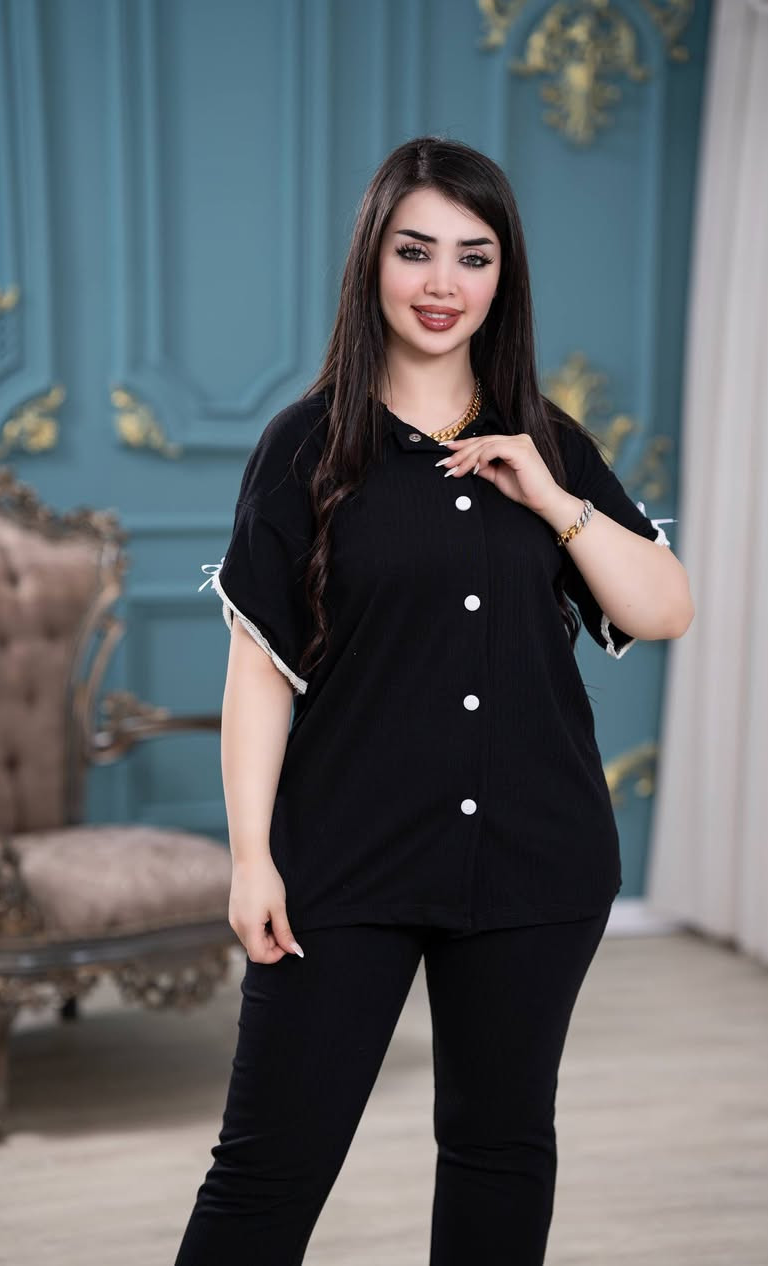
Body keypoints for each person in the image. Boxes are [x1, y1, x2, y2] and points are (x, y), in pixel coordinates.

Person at [176, 135, 694, 1265]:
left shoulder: (549, 444)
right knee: (266, 1171)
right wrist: (252, 858)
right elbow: (258, 668)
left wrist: (552, 499)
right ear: (373, 260)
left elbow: (664, 608)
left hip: (536, 857)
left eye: (474, 255)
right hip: (345, 860)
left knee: (500, 1149)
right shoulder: (305, 446)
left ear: (504, 277)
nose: (442, 283)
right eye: (415, 251)